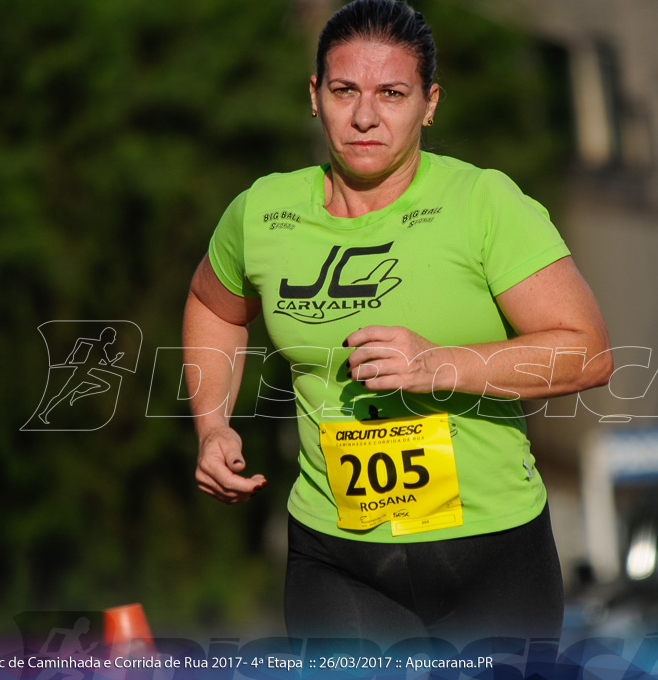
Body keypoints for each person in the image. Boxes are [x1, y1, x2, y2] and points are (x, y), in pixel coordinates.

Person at [183, 0, 612, 644]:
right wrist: (213, 425)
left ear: (429, 103)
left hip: (489, 551)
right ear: (314, 94)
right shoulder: (262, 212)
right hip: (337, 555)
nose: (364, 116)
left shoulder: (481, 202)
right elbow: (213, 305)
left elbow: (587, 353)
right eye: (344, 90)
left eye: (391, 93)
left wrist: (440, 364)